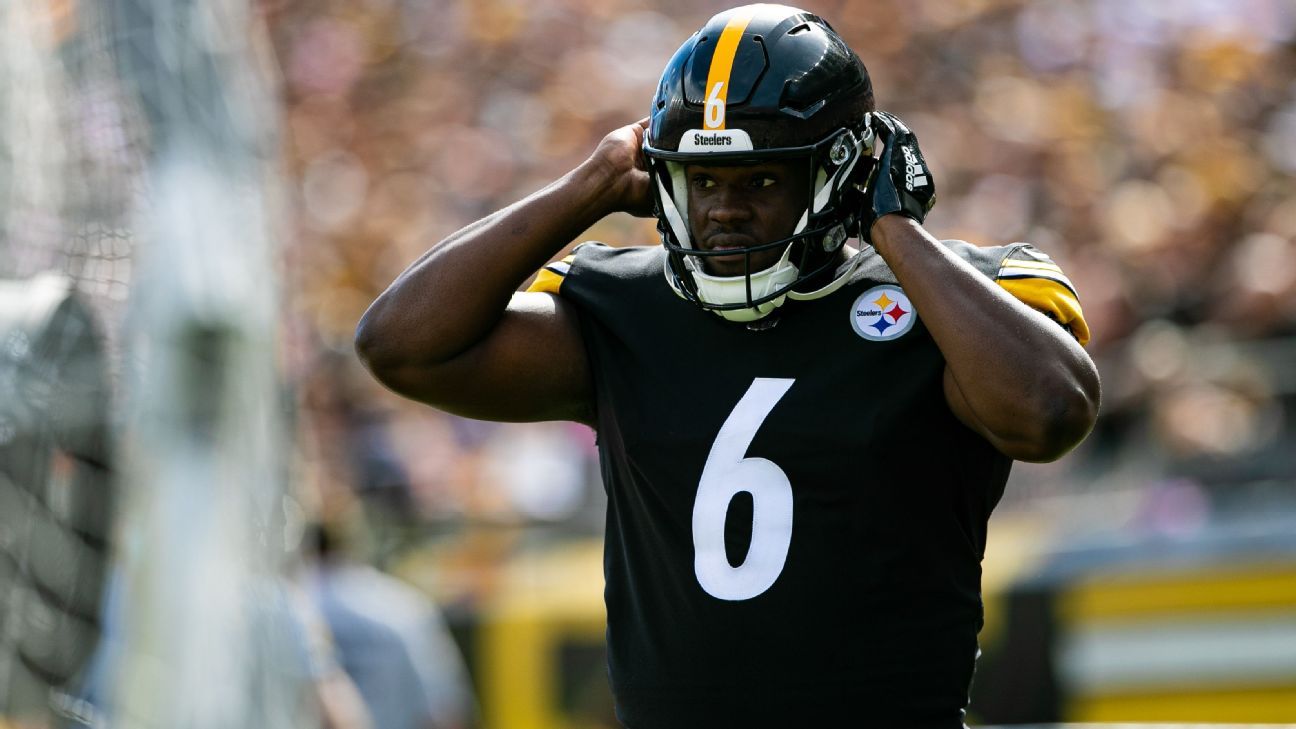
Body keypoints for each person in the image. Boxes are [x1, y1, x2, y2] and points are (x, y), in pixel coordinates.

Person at [355, 5, 1100, 727]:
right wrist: (592, 183)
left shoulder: (954, 298)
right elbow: (400, 344)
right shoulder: (624, 306)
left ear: (836, 174)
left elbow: (1048, 414)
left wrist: (893, 226)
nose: (723, 210)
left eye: (761, 181)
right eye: (703, 181)